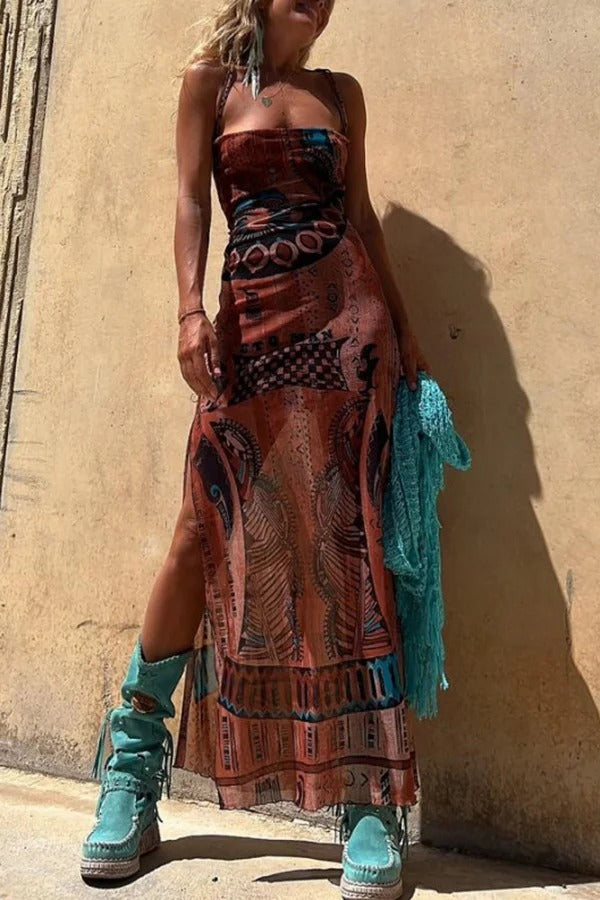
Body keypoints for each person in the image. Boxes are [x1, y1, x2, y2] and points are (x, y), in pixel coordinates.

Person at [80, 2, 430, 897]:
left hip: (346, 331)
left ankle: (364, 796)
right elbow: (190, 201)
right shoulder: (210, 84)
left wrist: (405, 331)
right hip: (247, 332)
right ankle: (131, 765)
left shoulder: (341, 94)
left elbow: (361, 217)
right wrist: (189, 312)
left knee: (345, 545)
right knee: (198, 533)